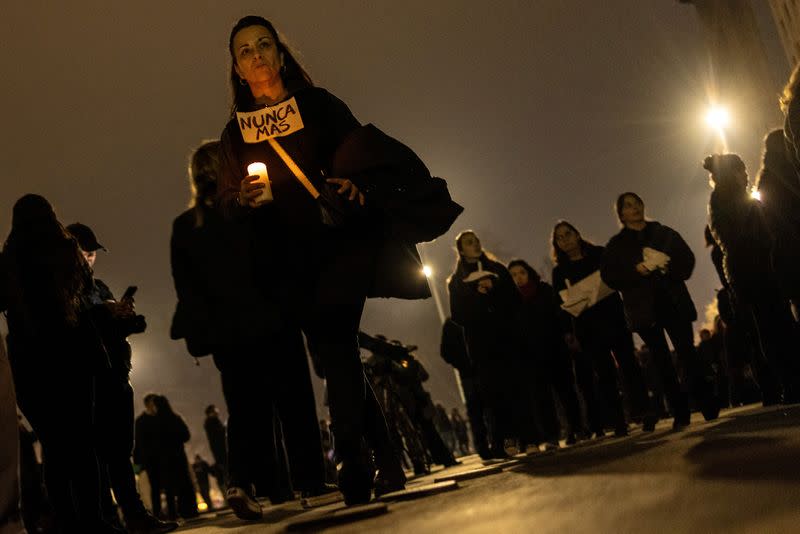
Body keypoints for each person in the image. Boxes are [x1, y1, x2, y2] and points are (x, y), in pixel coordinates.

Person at [215, 16, 428, 505]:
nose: (256, 55)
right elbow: (226, 201)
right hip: (287, 259)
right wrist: (242, 200)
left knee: (336, 342)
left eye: (264, 44)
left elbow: (363, 153)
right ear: (237, 69)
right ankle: (386, 460)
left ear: (282, 55)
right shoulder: (234, 135)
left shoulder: (319, 105)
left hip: (338, 245)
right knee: (338, 351)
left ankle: (350, 456)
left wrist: (357, 183)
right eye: (244, 51)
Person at [170, 139, 331, 519]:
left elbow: (186, 287)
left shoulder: (185, 226)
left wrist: (204, 331)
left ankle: (242, 482)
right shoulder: (250, 210)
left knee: (245, 411)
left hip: (229, 334)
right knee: (294, 403)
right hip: (274, 319)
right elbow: (281, 259)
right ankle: (310, 479)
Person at [1, 194, 119, 533]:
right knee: (83, 443)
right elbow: (83, 297)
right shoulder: (67, 252)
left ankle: (66, 521)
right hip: (74, 353)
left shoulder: (8, 260)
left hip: (30, 360)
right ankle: (94, 520)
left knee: (52, 444)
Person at [66, 223, 176, 534]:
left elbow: (112, 329)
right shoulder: (65, 291)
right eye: (84, 252)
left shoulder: (99, 288)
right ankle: (110, 517)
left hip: (116, 373)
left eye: (92, 253)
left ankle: (132, 515)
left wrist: (125, 317)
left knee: (119, 450)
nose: (89, 258)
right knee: (100, 454)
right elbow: (76, 332)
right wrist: (105, 316)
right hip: (90, 379)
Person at [601, 192, 714, 431]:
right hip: (644, 309)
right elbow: (609, 276)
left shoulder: (663, 233)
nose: (635, 208)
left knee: (687, 354)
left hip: (673, 301)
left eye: (637, 203)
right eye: (628, 206)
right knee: (662, 362)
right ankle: (680, 411)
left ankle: (706, 403)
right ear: (621, 214)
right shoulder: (617, 246)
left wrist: (667, 267)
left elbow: (687, 259)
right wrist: (635, 271)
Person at [705, 154, 800, 404]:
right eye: (742, 170)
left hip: (749, 271)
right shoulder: (731, 200)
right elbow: (746, 236)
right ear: (732, 173)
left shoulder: (723, 200)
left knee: (768, 328)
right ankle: (787, 383)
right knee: (774, 328)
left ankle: (779, 385)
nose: (746, 174)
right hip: (756, 271)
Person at [550, 221, 652, 434]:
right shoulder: (560, 272)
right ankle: (618, 421)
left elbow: (617, 278)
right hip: (588, 327)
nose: (565, 239)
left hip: (613, 317)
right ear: (556, 244)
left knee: (629, 365)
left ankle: (644, 412)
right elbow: (561, 304)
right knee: (605, 375)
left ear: (577, 234)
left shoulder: (600, 254)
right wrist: (568, 331)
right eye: (559, 237)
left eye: (568, 233)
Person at [448, 230, 522, 458]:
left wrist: (494, 291)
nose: (475, 244)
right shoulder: (457, 282)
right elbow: (458, 315)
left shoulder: (498, 269)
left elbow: (514, 301)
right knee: (492, 395)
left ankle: (526, 436)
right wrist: (477, 294)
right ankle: (500, 441)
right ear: (461, 250)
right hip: (481, 344)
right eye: (469, 242)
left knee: (515, 389)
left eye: (476, 240)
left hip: (506, 338)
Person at [507, 259, 584, 445]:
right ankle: (552, 435)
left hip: (555, 349)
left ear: (529, 273)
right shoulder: (510, 300)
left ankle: (578, 428)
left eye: (521, 272)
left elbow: (560, 313)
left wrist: (566, 334)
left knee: (567, 392)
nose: (518, 277)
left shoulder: (545, 291)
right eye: (514, 275)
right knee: (542, 399)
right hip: (531, 355)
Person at [150, 395, 196, 521]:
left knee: (169, 486)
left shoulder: (154, 422)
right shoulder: (176, 418)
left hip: (164, 459)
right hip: (179, 455)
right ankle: (190, 509)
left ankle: (173, 513)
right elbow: (186, 436)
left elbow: (154, 443)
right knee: (185, 483)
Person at [202, 405, 227, 492]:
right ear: (211, 412)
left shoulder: (209, 423)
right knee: (228, 472)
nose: (218, 412)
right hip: (222, 452)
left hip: (219, 453)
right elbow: (219, 438)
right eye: (216, 411)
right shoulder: (213, 422)